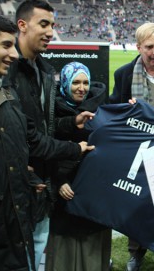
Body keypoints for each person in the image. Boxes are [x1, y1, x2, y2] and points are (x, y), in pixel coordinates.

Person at [0, 14, 93, 271]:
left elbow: (31, 133)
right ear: (23, 25)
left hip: (23, 195)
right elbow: (33, 140)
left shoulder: (13, 88)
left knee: (31, 248)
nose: (13, 54)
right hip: (9, 202)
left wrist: (71, 126)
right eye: (6, 45)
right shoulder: (9, 82)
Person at [109, 22, 154, 271]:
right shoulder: (124, 74)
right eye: (149, 47)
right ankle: (136, 251)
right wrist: (126, 109)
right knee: (137, 201)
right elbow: (114, 108)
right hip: (137, 150)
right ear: (138, 47)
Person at [45, 62, 111, 271]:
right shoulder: (51, 109)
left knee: (92, 246)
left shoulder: (101, 109)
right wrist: (59, 181)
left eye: (85, 82)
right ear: (65, 82)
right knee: (65, 251)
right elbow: (46, 150)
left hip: (94, 194)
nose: (81, 88)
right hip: (65, 194)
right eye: (75, 82)